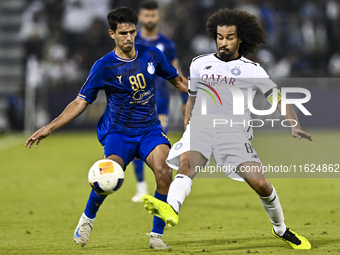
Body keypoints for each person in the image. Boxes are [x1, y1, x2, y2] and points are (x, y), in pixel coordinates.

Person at [142, 8, 312, 250]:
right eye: (219, 37)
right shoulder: (200, 63)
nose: (223, 42)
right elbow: (192, 94)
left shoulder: (252, 69)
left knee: (261, 185)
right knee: (187, 163)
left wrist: (294, 126)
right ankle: (172, 208)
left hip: (234, 133)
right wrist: (188, 112)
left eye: (229, 37)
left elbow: (279, 99)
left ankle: (281, 229)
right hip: (201, 128)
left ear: (239, 39)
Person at [25, 6, 187, 250]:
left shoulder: (151, 55)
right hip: (118, 133)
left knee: (164, 172)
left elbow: (177, 80)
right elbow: (81, 102)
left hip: (149, 130)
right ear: (112, 33)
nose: (129, 37)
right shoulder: (103, 66)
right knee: (108, 177)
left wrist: (204, 93)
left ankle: (156, 235)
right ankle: (87, 219)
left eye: (132, 32)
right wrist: (50, 127)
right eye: (123, 33)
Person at [131, 0, 188, 202]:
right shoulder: (131, 40)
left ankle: (161, 186)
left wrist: (184, 100)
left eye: (152, 15)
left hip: (160, 104)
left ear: (158, 17)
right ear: (140, 17)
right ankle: (140, 186)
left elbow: (176, 73)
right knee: (136, 146)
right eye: (145, 15)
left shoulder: (167, 45)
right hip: (135, 104)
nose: (149, 18)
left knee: (159, 146)